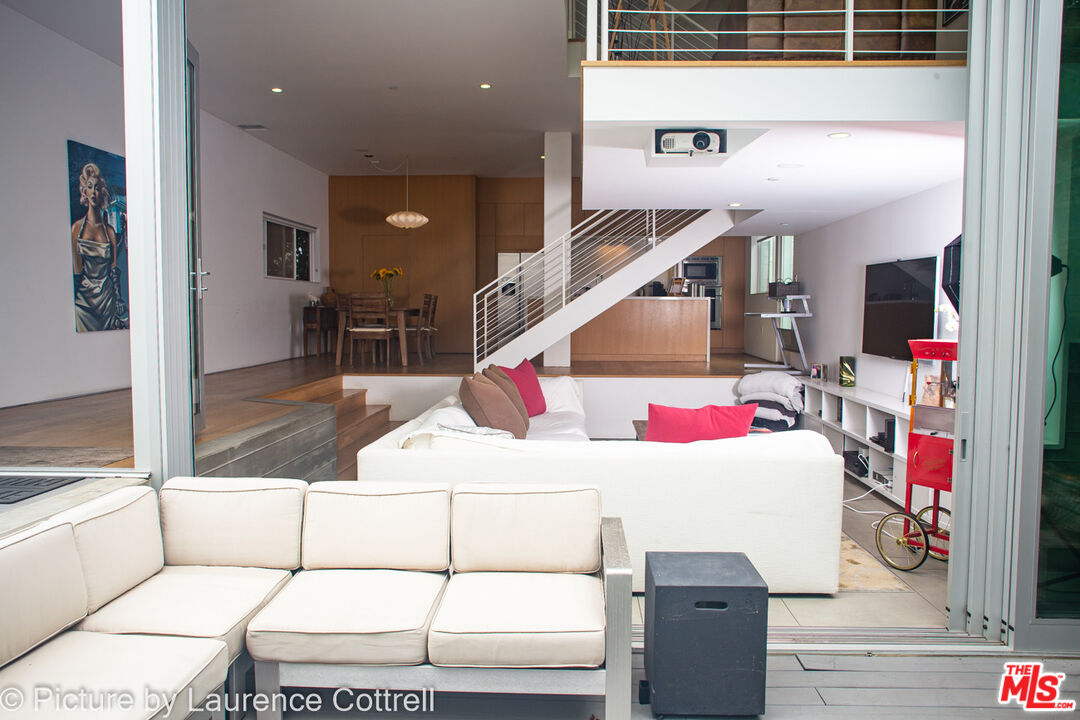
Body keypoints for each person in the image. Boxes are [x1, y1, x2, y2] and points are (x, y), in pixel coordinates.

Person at [71, 163, 126, 331]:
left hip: (107, 299)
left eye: (97, 188)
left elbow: (114, 269)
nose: (93, 192)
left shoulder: (108, 231)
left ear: (101, 192)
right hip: (84, 303)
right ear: (84, 191)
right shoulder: (76, 230)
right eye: (90, 187)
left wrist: (118, 300)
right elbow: (77, 272)